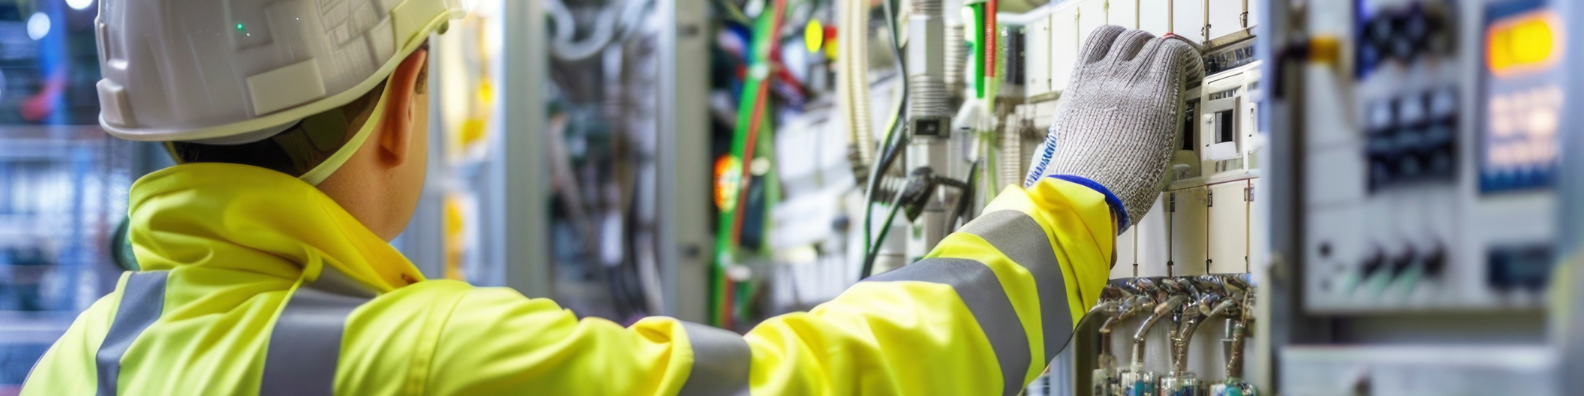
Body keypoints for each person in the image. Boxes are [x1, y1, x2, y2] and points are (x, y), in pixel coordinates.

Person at [20, 0, 1201, 392]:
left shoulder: (78, 359)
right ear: (404, 96)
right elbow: (817, 385)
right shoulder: (425, 359)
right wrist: (1074, 200)